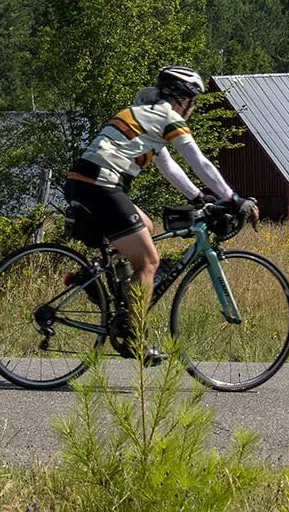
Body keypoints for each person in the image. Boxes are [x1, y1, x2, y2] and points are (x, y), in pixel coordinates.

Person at [63, 65, 258, 352]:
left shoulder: (145, 115)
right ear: (184, 100)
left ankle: (94, 279)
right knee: (150, 262)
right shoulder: (167, 117)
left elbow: (168, 166)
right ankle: (133, 336)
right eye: (194, 102)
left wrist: (196, 197)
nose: (193, 108)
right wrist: (232, 198)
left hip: (83, 182)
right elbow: (199, 162)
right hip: (102, 185)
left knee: (147, 226)